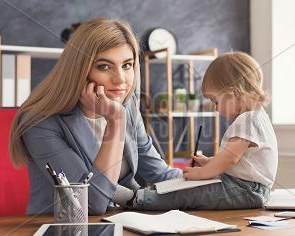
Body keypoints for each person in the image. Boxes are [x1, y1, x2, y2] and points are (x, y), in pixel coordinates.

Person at [9, 17, 182, 215]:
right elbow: (91, 203)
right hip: (65, 233)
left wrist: (213, 176)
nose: (120, 80)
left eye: (127, 65)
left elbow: (159, 173)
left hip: (124, 222)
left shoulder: (128, 104)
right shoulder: (40, 122)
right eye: (104, 66)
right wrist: (115, 121)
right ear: (79, 70)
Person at [127, 51, 278, 210]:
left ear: (233, 93)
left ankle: (137, 198)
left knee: (190, 193)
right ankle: (142, 195)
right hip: (248, 188)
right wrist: (210, 162)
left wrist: (202, 173)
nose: (216, 109)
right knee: (190, 190)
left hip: (246, 189)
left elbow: (230, 159)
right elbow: (239, 161)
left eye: (216, 101)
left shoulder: (247, 119)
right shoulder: (257, 117)